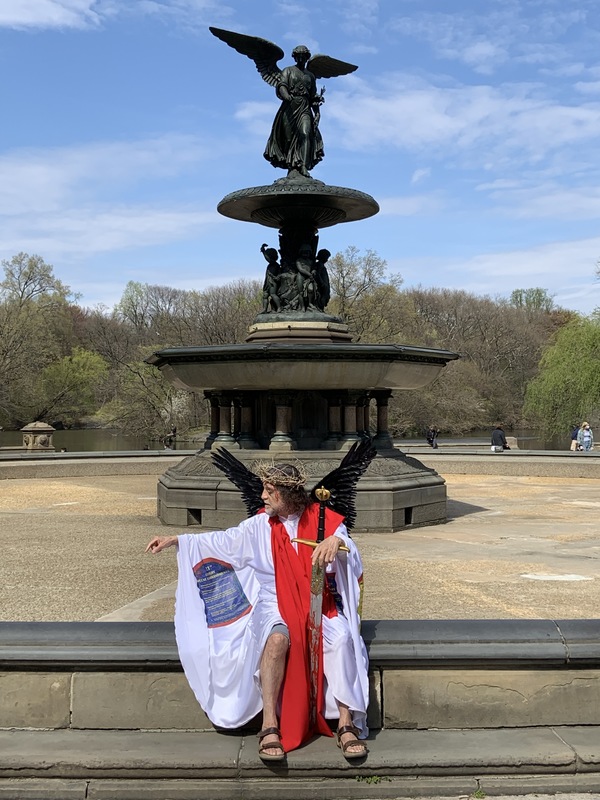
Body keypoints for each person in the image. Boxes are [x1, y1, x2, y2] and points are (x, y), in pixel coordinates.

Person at [145, 463, 369, 762]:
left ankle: (345, 722)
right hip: (273, 602)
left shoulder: (322, 519)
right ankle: (270, 724)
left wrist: (337, 541)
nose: (262, 495)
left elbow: (349, 548)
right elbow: (222, 541)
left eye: (269, 490)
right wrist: (179, 540)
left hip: (317, 601)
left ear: (288, 493)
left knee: (341, 638)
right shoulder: (258, 525)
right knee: (276, 641)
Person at [264, 45, 325, 177]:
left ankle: (303, 166)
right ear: (295, 57)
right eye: (298, 56)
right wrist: (286, 95)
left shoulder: (310, 76)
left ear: (307, 58)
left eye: (303, 56)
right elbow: (281, 85)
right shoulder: (288, 71)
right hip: (289, 108)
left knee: (305, 133)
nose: (301, 59)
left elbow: (313, 97)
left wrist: (317, 112)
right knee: (288, 139)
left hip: (304, 108)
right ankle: (292, 167)